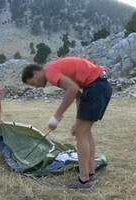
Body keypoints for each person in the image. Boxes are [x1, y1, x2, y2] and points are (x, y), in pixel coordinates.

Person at [21, 57, 112, 191]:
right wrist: (77, 121)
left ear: (35, 73)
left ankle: (84, 181)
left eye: (32, 83)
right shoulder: (56, 70)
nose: (35, 86)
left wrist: (57, 117)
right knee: (85, 132)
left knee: (81, 133)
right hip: (102, 86)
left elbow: (73, 89)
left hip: (96, 87)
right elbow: (79, 95)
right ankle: (90, 173)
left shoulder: (50, 72)